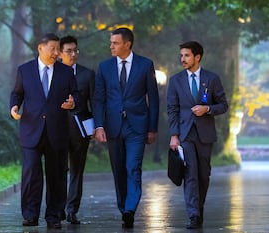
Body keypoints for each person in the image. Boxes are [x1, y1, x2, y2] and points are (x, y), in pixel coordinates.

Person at [9, 33, 78, 229]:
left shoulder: (66, 72)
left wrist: (73, 102)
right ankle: (30, 215)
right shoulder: (25, 70)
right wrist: (14, 107)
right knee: (31, 172)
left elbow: (77, 95)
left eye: (58, 49)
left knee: (56, 175)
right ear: (41, 48)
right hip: (31, 130)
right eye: (53, 49)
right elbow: (17, 93)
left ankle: (54, 216)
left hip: (57, 132)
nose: (56, 53)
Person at [92, 27, 159, 228]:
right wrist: (99, 125)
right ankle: (123, 208)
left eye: (115, 43)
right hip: (113, 127)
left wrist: (152, 128)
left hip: (137, 127)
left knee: (133, 167)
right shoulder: (104, 67)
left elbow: (154, 98)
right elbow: (99, 99)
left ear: (127, 44)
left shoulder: (145, 65)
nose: (111, 46)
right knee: (118, 169)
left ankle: (130, 208)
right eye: (111, 42)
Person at [167, 41, 228, 229]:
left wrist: (207, 108)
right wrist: (174, 135)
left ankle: (199, 208)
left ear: (197, 57)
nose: (182, 59)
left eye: (186, 55)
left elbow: (223, 105)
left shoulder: (211, 78)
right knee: (190, 174)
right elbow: (172, 109)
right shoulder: (176, 80)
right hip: (185, 134)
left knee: (203, 175)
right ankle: (193, 215)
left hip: (205, 134)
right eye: (181, 55)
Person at [59, 35, 95, 224]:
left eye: (75, 50)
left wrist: (98, 126)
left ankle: (72, 209)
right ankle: (58, 208)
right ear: (60, 53)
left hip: (80, 130)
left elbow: (95, 102)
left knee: (77, 170)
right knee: (58, 170)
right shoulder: (53, 73)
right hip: (57, 129)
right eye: (69, 51)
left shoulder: (87, 74)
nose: (73, 54)